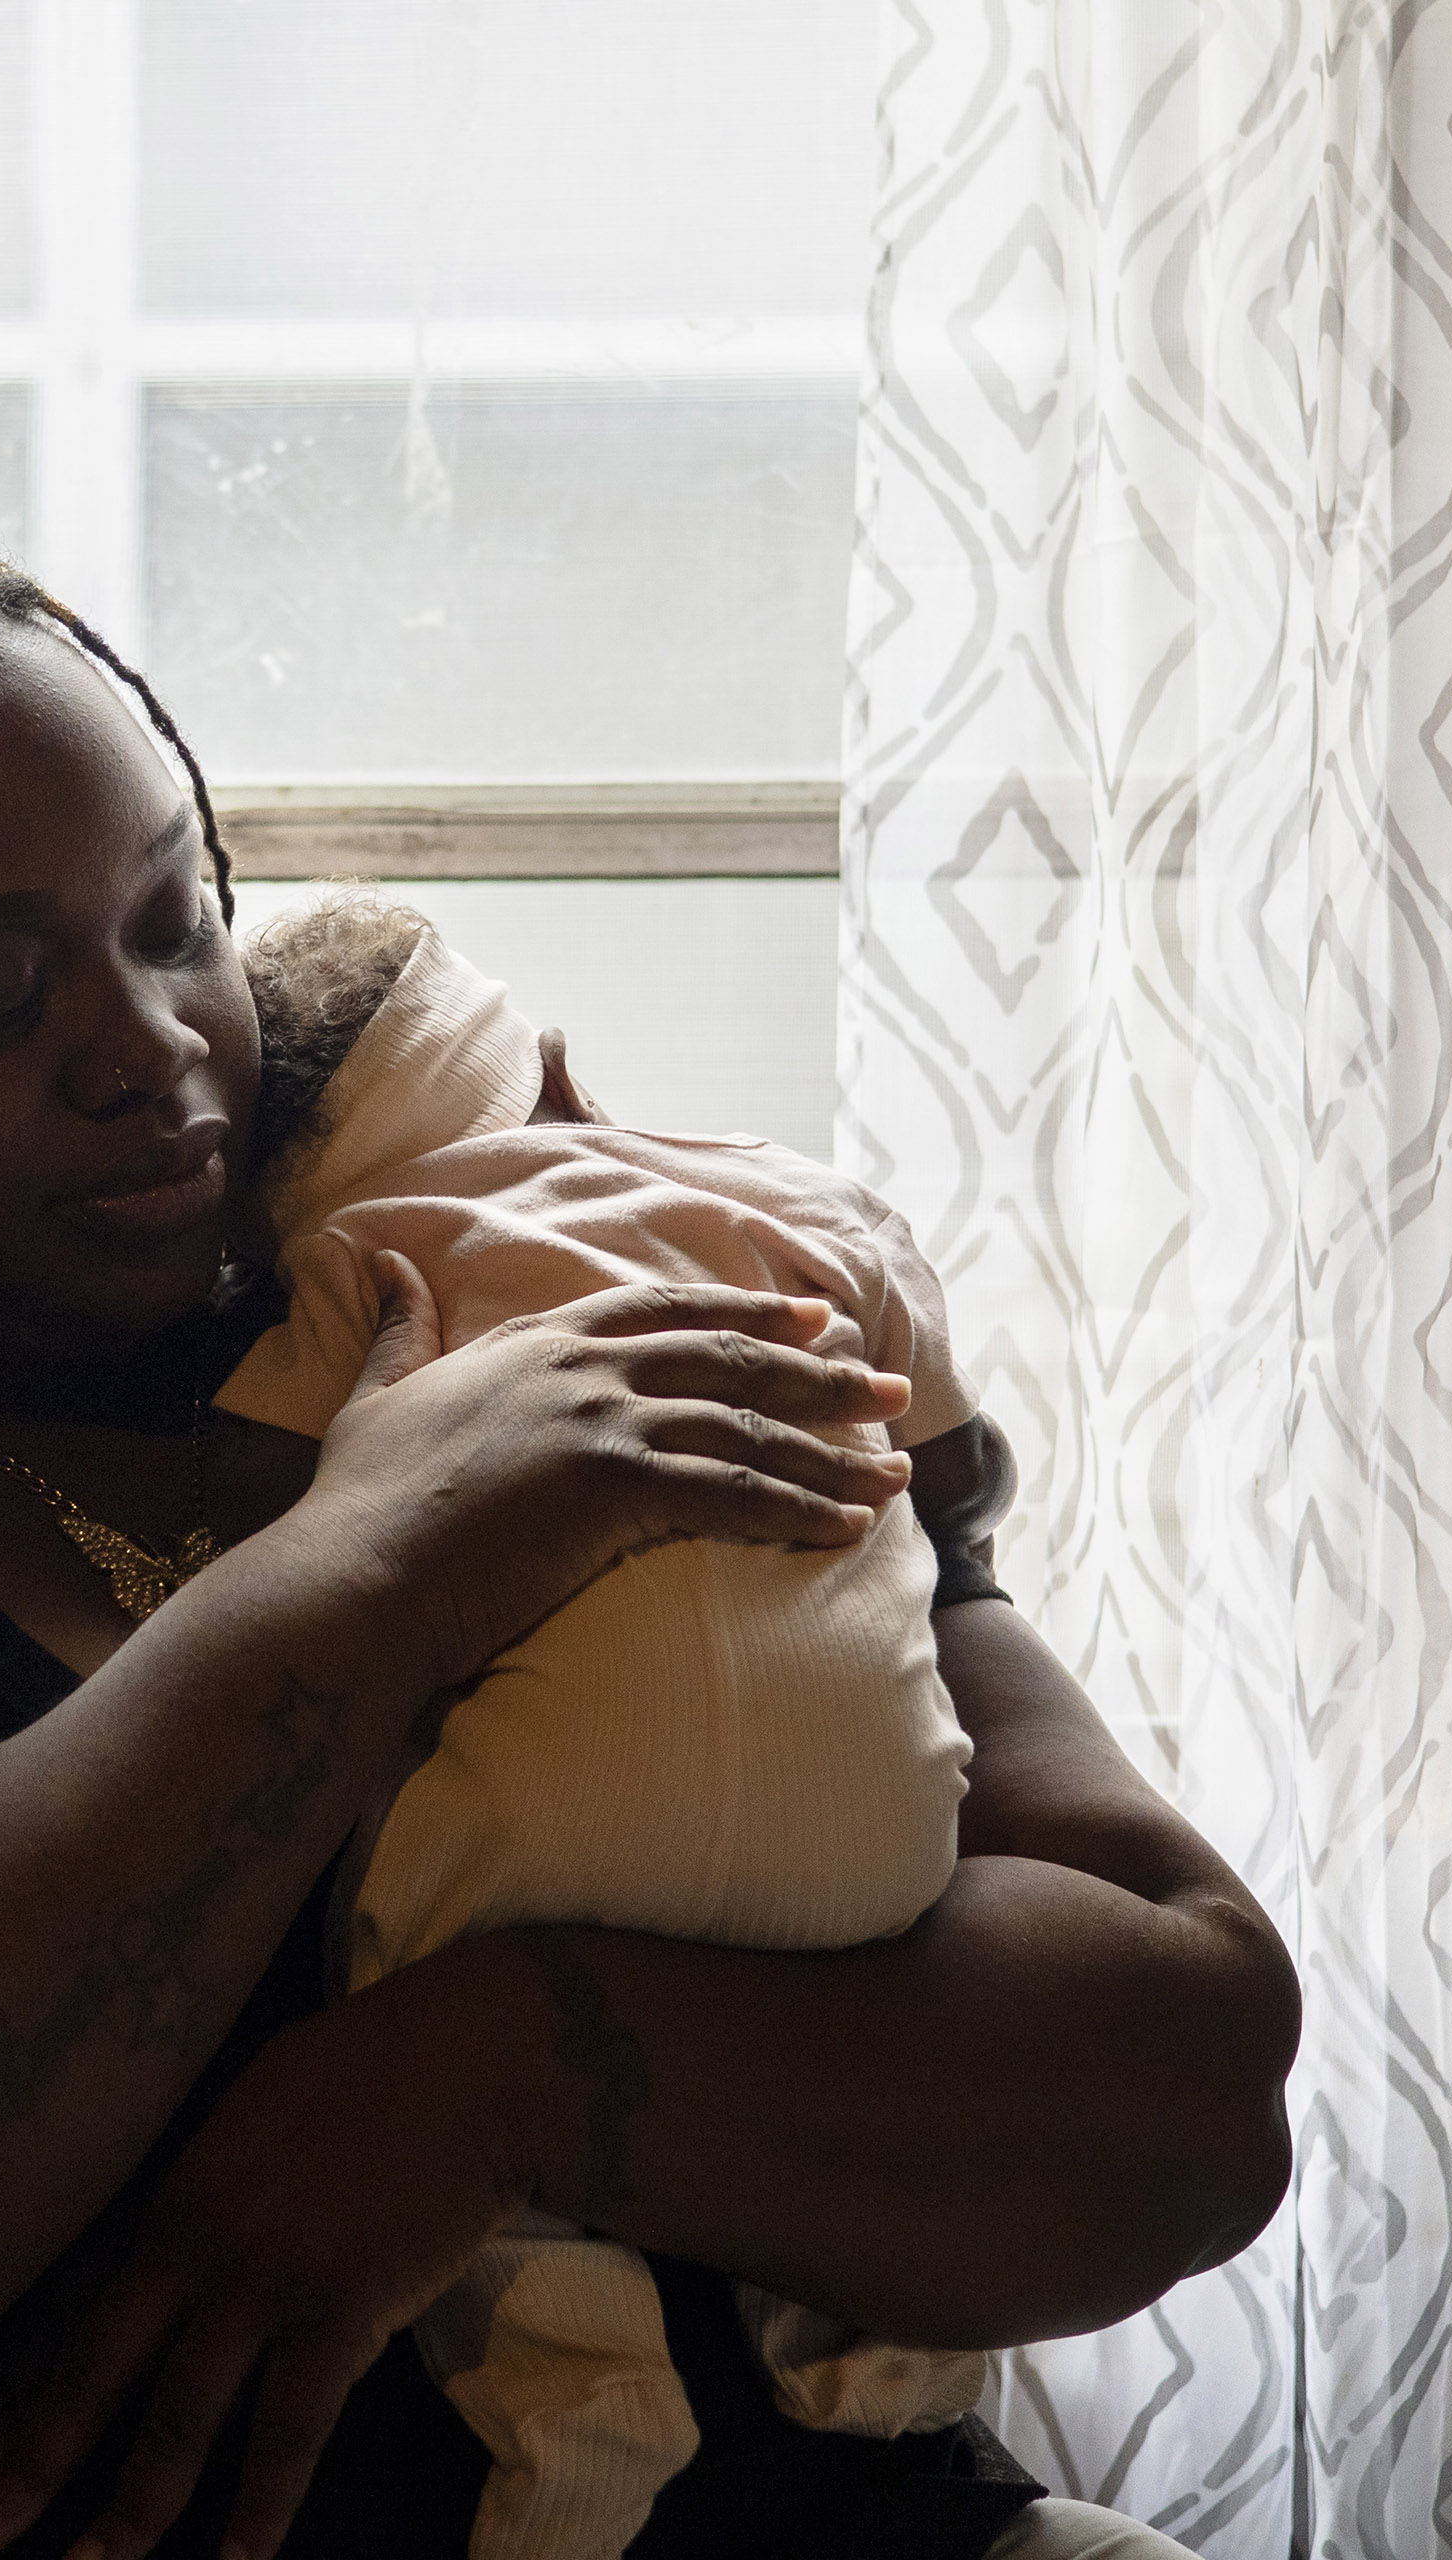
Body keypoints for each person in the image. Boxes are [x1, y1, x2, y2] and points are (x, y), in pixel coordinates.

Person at [0, 427, 1300, 2560]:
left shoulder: (502, 1297)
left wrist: (492, 2083)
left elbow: (1190, 2102)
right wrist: (378, 1568)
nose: (149, 1047)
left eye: (174, 919)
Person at [220, 895, 983, 2560]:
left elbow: (271, 1526)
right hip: (879, 1841)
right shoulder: (778, 1186)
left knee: (413, 2014)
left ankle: (577, 2425)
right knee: (843, 2070)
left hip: (539, 1842)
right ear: (560, 1072)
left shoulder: (361, 1262)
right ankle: (887, 2357)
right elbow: (950, 1446)